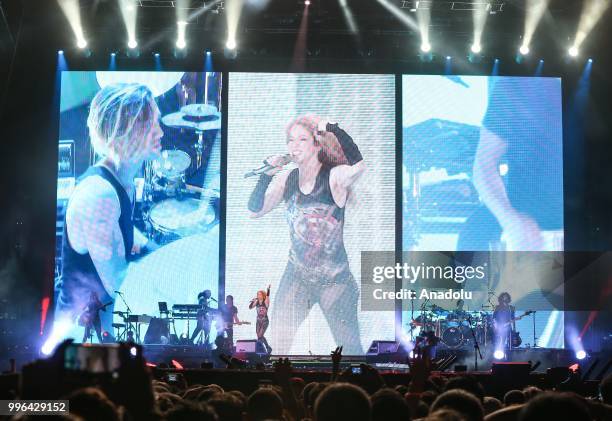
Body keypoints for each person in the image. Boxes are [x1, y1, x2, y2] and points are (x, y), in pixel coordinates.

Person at [248, 115, 366, 354]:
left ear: (316, 144)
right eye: (291, 140)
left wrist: (332, 128)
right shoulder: (287, 178)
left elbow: (358, 166)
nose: (295, 145)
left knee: (351, 351)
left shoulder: (334, 176)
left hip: (334, 279)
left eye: (302, 139)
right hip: (297, 275)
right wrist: (265, 176)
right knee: (278, 347)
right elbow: (255, 210)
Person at [55, 83, 163, 337]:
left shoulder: (123, 182)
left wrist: (157, 250)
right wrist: (168, 274)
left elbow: (121, 228)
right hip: (79, 333)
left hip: (103, 320)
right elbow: (120, 285)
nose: (160, 132)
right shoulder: (98, 194)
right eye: (151, 125)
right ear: (127, 130)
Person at [249, 285, 272, 354]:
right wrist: (253, 302)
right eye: (257, 294)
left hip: (264, 321)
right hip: (258, 321)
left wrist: (268, 290)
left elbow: (267, 296)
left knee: (260, 336)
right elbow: (250, 307)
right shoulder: (257, 302)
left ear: (262, 295)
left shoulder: (266, 302)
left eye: (259, 294)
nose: (258, 295)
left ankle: (261, 349)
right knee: (259, 336)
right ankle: (267, 348)